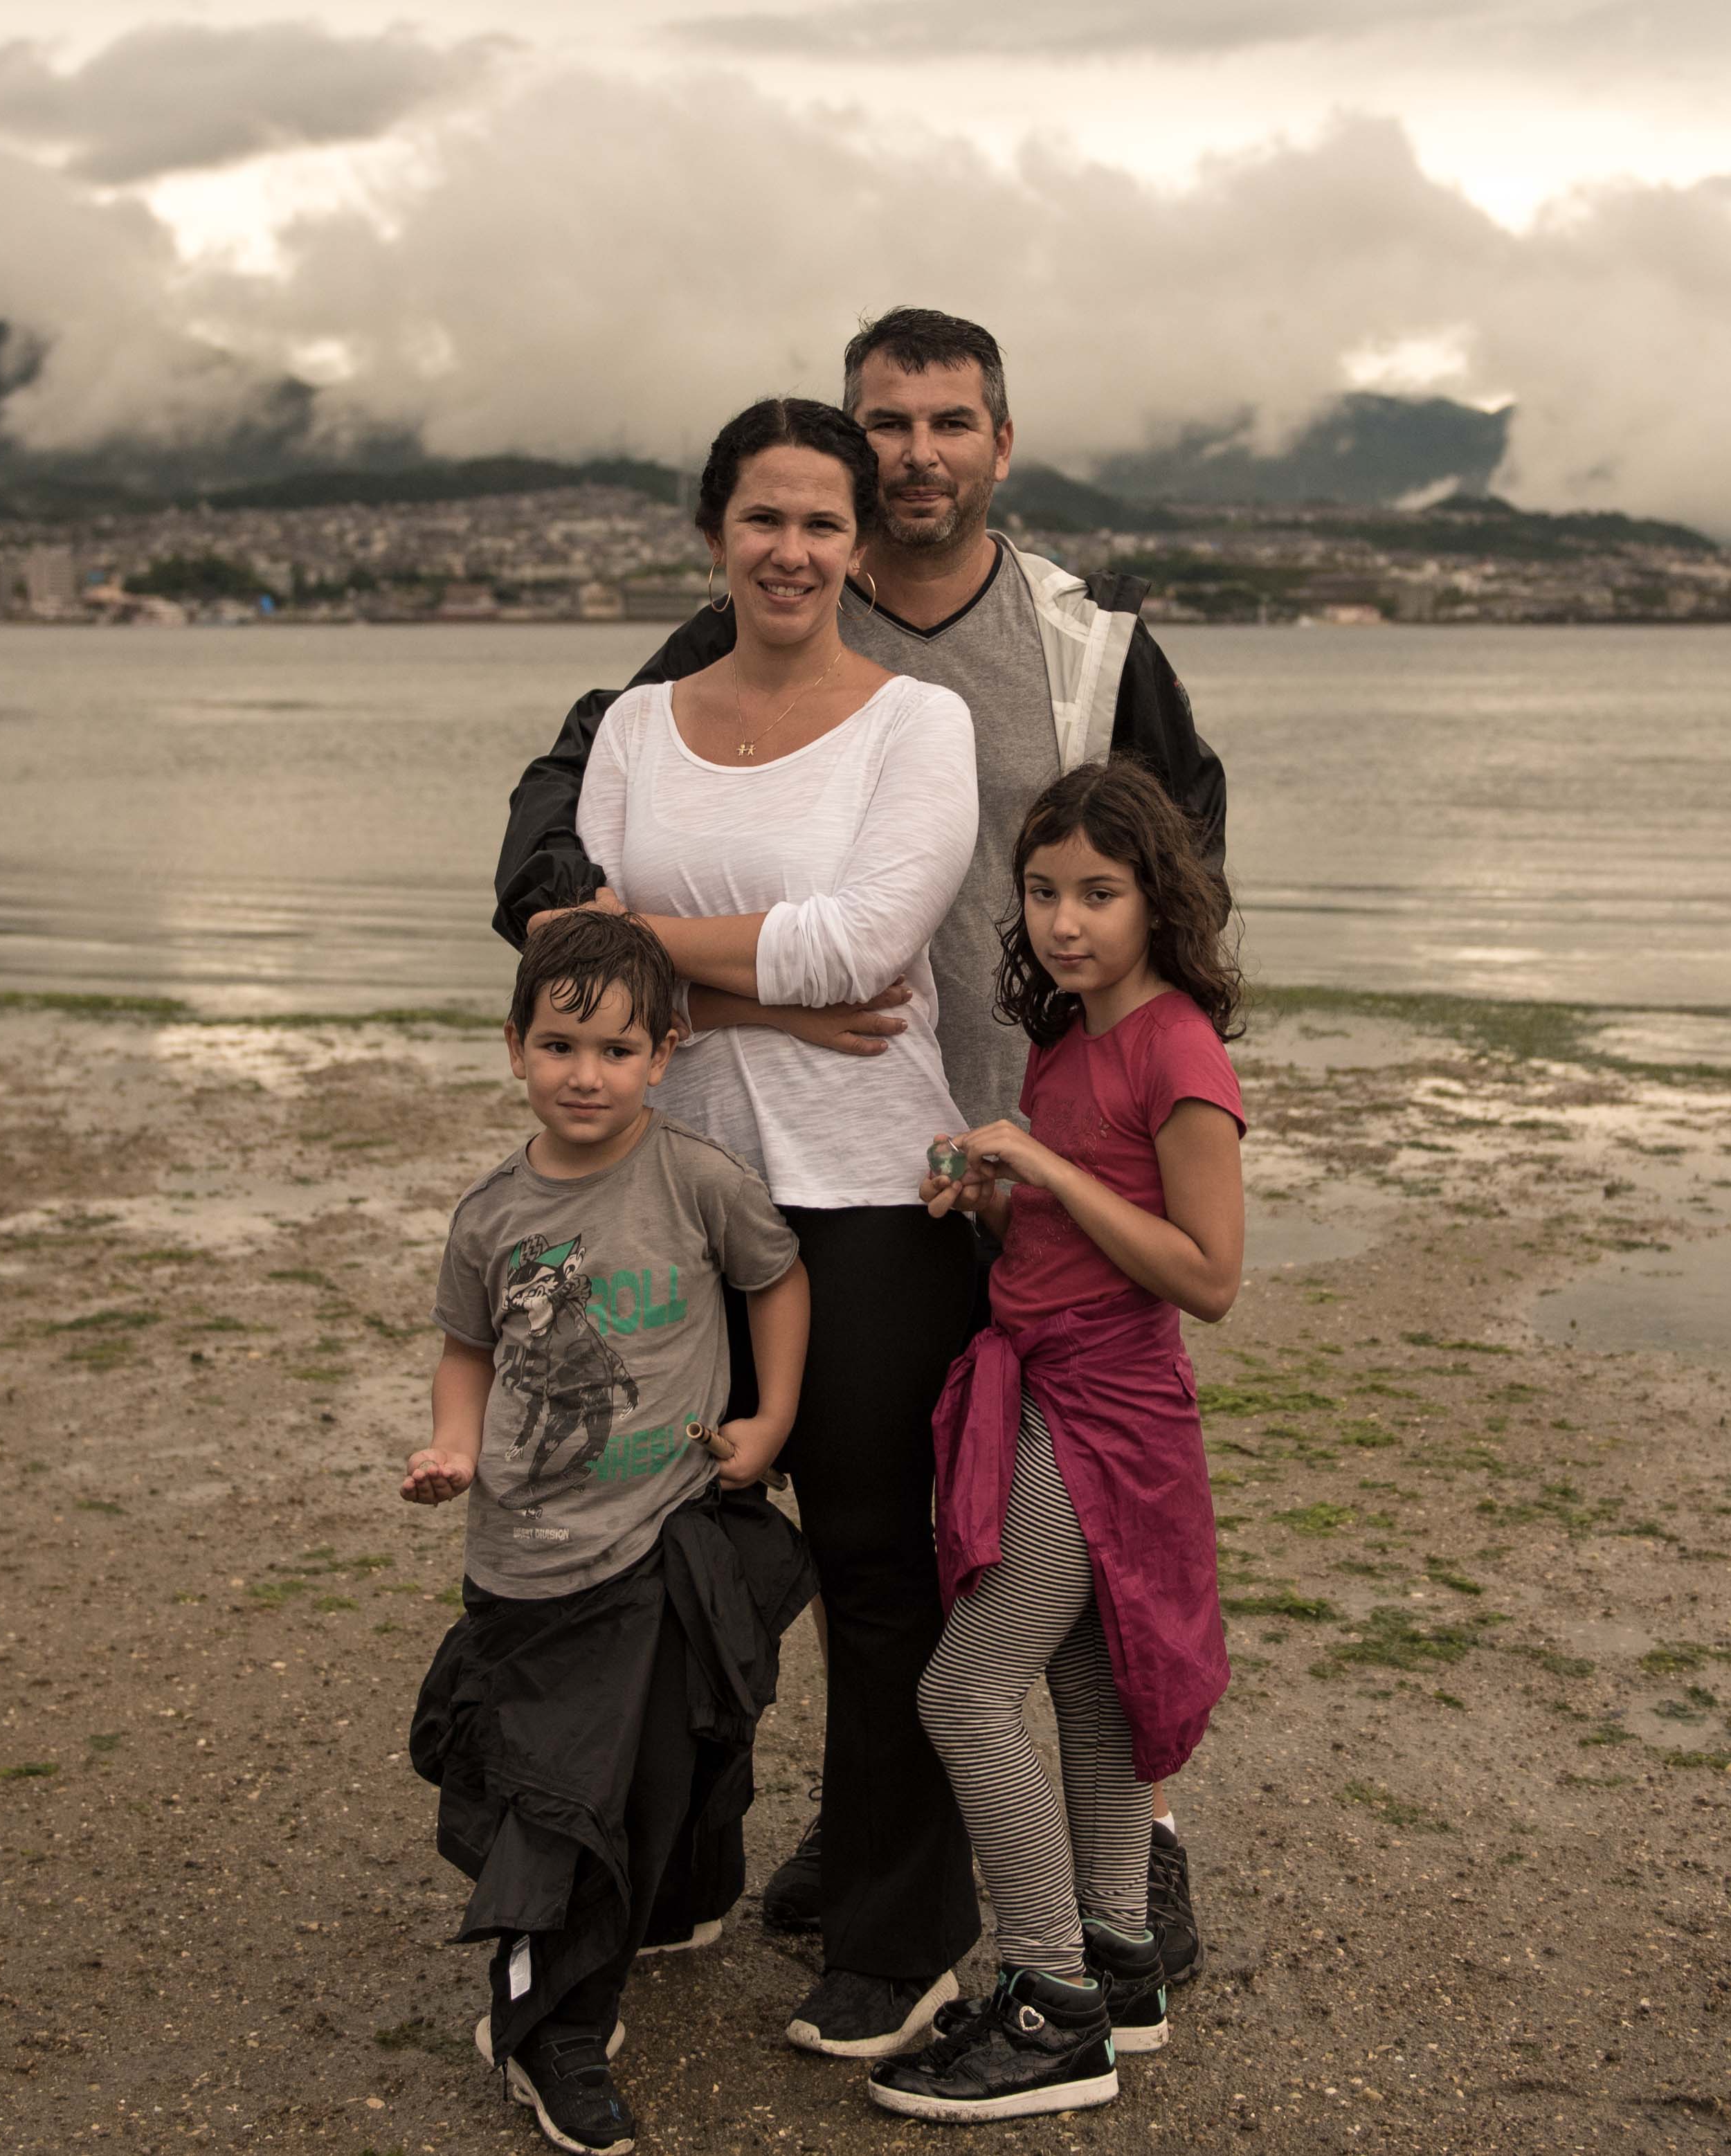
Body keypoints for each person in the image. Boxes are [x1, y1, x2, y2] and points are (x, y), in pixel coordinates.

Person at [492, 307, 1228, 1984]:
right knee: (888, 1523)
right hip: (848, 1136)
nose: (914, 455)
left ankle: (1134, 1848)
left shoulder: (1083, 646)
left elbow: (1179, 877)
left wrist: (1150, 1102)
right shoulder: (744, 618)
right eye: (883, 423)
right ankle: (875, 1818)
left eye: (948, 423)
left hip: (1035, 1144)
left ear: (999, 445)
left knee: (1066, 1509)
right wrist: (651, 959)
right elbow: (567, 808)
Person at [545, 393, 991, 2060]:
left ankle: (893, 1930)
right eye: (762, 518)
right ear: (711, 535)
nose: (790, 549)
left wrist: (657, 954)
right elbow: (573, 977)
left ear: (857, 548)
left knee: (877, 1572)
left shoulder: (916, 724)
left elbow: (864, 946)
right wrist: (761, 999)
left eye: (820, 523)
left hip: (871, 1194)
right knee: (666, 1552)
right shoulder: (632, 724)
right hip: (668, 1197)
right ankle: (680, 1869)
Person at [404, 909, 817, 2156]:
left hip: (661, 1539)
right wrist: (452, 1447)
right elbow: (466, 1352)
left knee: (649, 1777)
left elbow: (775, 1278)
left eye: (617, 1050)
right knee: (557, 1801)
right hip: (526, 1561)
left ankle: (615, 1965)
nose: (585, 1075)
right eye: (559, 1045)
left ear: (664, 1055)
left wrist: (769, 1418)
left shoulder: (696, 1178)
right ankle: (546, 2028)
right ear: (514, 1047)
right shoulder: (490, 1215)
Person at [866, 759, 1244, 2123]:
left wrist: (1046, 1167)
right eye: (1039, 891)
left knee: (962, 1693)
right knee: (1087, 1691)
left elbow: (1207, 1276)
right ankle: (1119, 1965)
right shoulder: (1066, 1039)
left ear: (1158, 899)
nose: (1064, 921)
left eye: (1098, 892)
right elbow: (1070, 1236)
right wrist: (990, 1197)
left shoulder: (1177, 1050)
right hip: (1042, 1385)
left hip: (1107, 1415)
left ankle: (1046, 2004)